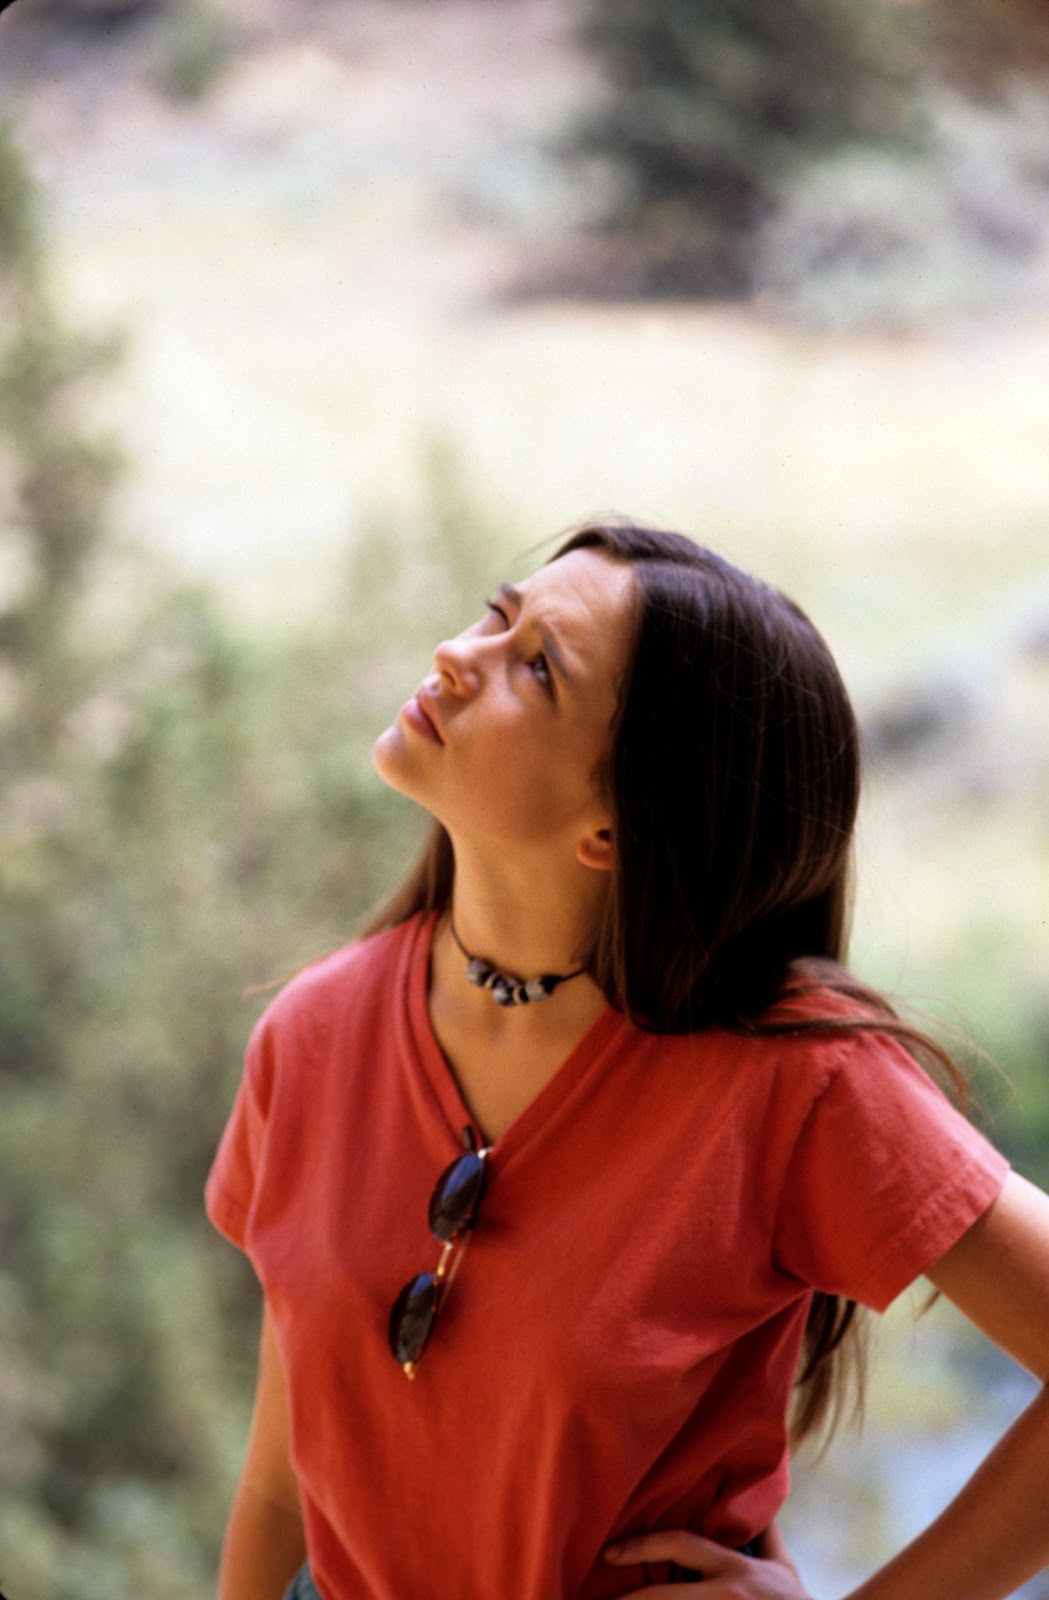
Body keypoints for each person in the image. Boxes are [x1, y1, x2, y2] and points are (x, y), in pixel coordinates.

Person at [206, 520, 1049, 1600]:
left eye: (536, 669)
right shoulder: (313, 1033)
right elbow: (288, 1482)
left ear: (616, 822)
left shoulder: (790, 1084)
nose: (458, 656)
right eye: (496, 615)